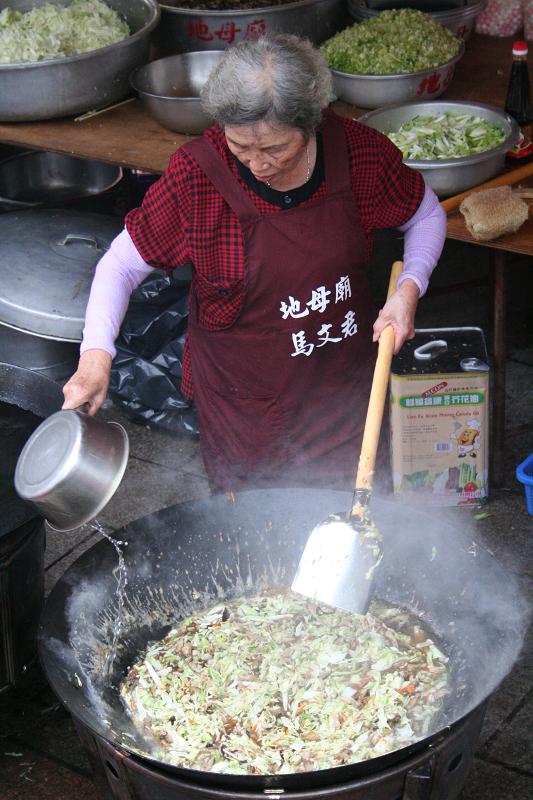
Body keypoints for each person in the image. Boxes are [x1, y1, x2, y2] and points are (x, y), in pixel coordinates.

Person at [62, 33, 446, 493]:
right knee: (249, 530)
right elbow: (120, 266)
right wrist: (95, 358)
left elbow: (424, 213)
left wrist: (409, 289)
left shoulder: (359, 153)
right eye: (241, 147)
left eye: (275, 149)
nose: (257, 165)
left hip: (341, 393)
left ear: (312, 123)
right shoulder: (197, 175)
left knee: (355, 519)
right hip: (243, 406)